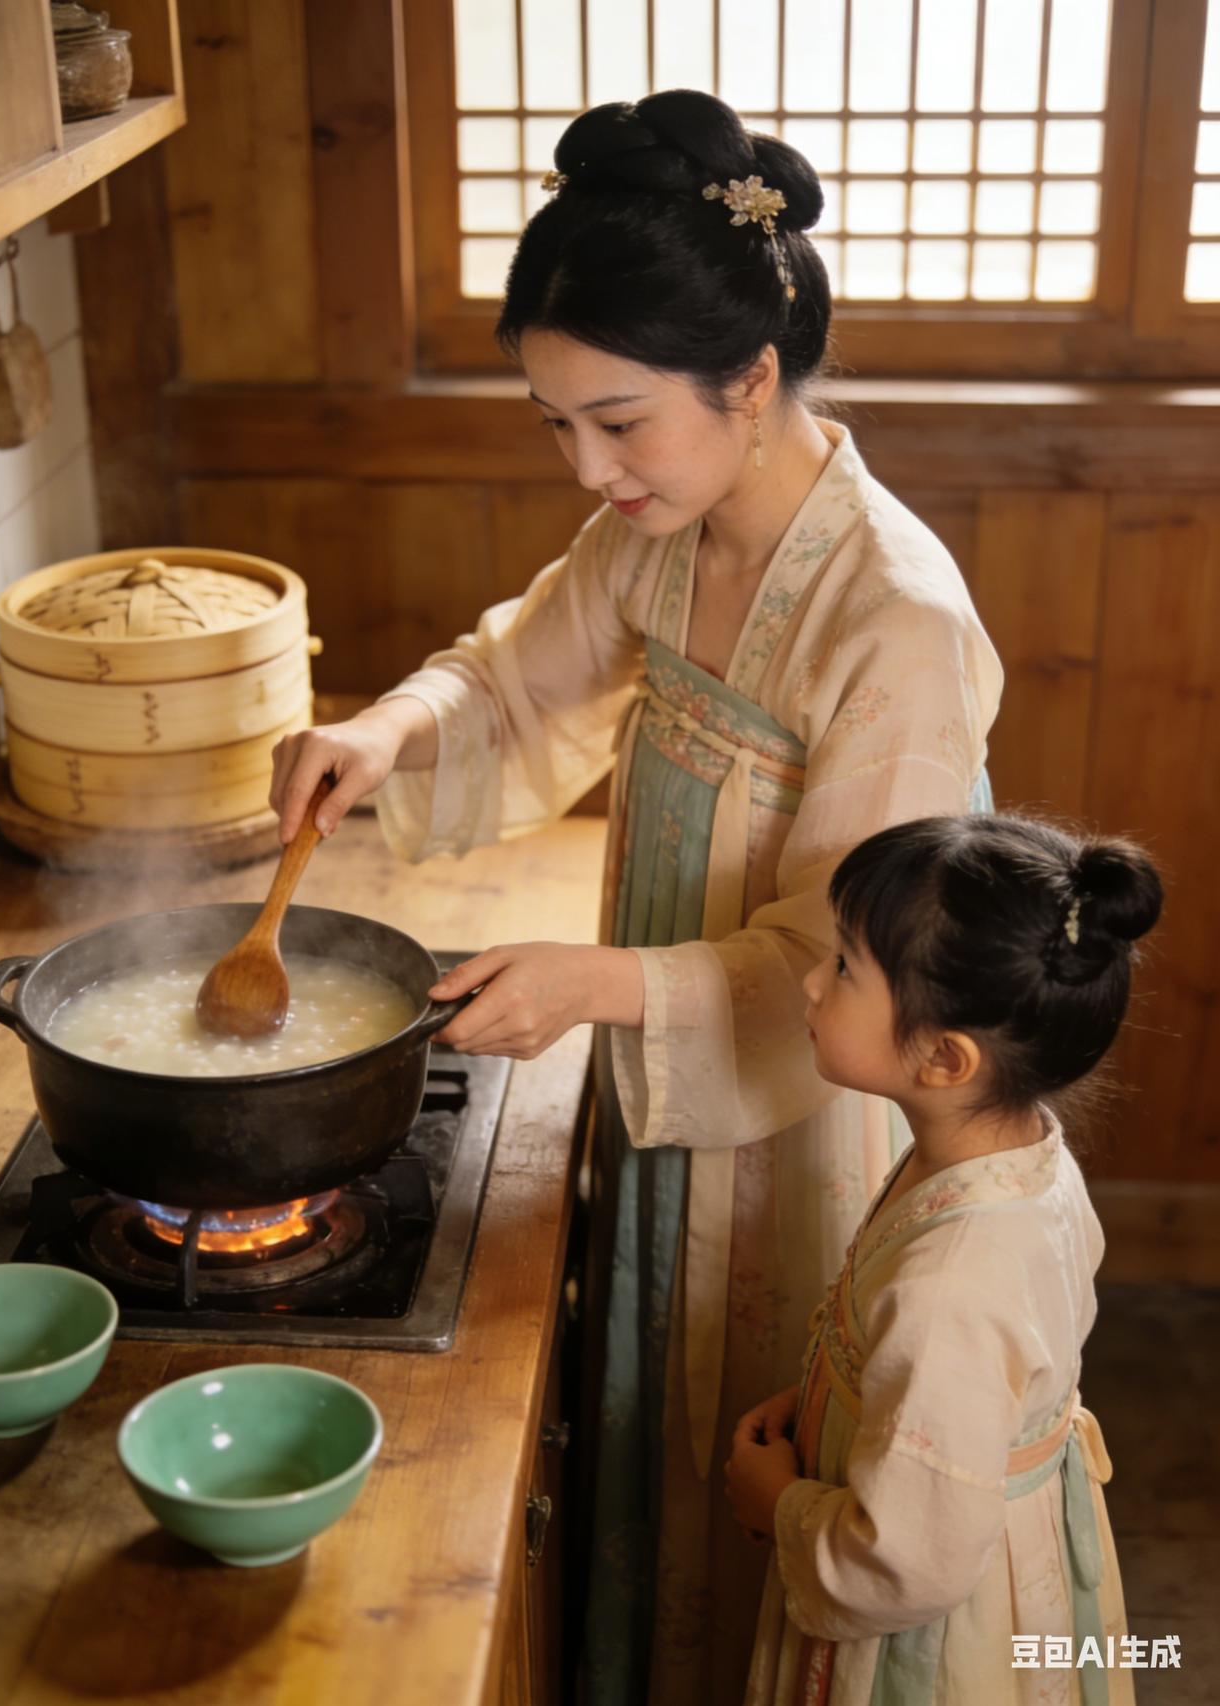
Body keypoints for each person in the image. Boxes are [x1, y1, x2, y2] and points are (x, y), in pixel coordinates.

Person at [269, 90, 1003, 1706]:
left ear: (753, 378)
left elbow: (856, 964)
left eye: (620, 421)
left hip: (804, 1114)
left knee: (755, 1431)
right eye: (556, 426)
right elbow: (514, 674)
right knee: (654, 1402)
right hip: (664, 1062)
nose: (590, 468)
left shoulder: (895, 617)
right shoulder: (668, 531)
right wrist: (381, 733)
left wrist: (594, 986)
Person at [726, 813, 1162, 1706]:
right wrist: (832, 1398)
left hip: (937, 1639)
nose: (811, 981)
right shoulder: (1018, 1155)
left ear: (943, 1057)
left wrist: (778, 1506)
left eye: (843, 966)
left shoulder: (953, 1281)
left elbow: (905, 1565)